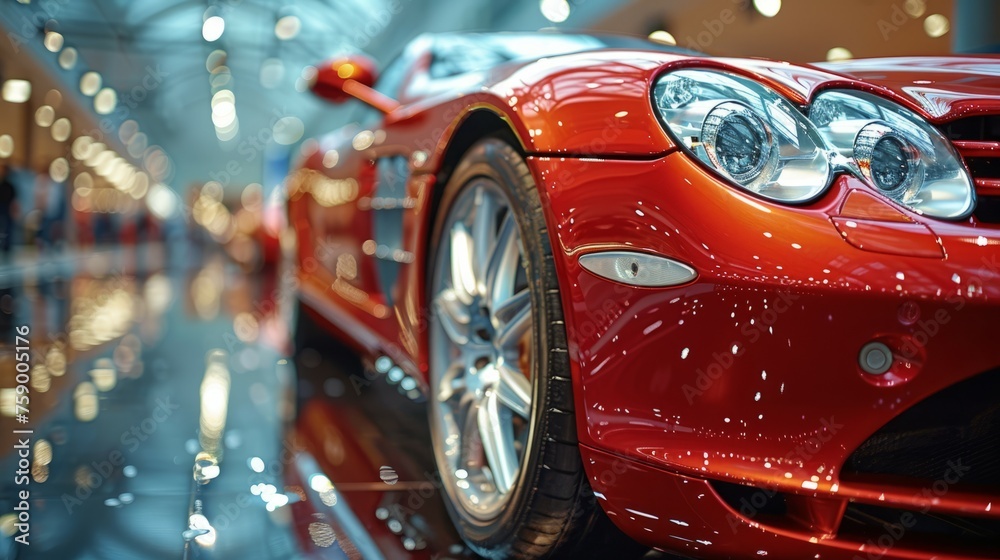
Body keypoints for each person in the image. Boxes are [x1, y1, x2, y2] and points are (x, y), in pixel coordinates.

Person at [0, 162, 19, 259]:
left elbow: (14, 200)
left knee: (8, 228)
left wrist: (14, 210)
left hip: (7, 210)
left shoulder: (10, 185)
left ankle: (7, 247)